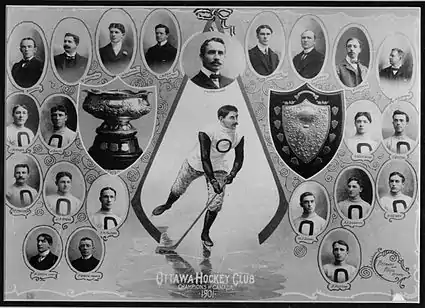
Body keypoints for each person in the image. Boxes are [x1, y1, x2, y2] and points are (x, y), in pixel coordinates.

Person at [151, 105, 244, 247]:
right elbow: (204, 157)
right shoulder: (207, 131)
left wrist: (232, 174)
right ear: (221, 119)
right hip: (196, 163)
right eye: (232, 117)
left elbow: (239, 158)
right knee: (178, 188)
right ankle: (168, 204)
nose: (236, 121)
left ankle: (205, 233)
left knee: (216, 203)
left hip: (219, 167)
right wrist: (212, 181)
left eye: (237, 117)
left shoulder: (238, 135)